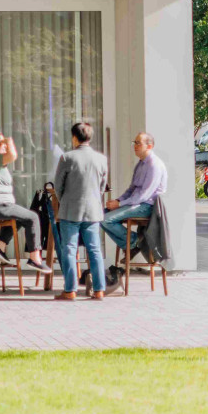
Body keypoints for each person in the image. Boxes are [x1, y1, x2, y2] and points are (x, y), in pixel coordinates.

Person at [0, 131, 51, 274]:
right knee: (33, 217)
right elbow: (13, 155)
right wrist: (9, 140)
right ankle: (35, 258)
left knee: (22, 216)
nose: (5, 147)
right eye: (2, 144)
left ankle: (0, 245)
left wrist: (3, 142)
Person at [102, 132, 168, 285]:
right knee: (101, 215)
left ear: (149, 146)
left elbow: (144, 196)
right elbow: (131, 189)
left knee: (106, 219)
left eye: (139, 143)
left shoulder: (154, 165)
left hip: (146, 206)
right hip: (134, 203)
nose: (135, 146)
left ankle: (133, 242)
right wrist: (118, 200)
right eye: (135, 142)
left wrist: (120, 205)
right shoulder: (140, 164)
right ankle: (131, 244)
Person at [53, 121, 109, 301]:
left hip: (70, 210)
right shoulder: (101, 159)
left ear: (74, 138)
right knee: (95, 250)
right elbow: (102, 187)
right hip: (93, 211)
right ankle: (99, 290)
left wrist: (64, 201)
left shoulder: (66, 158)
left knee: (69, 249)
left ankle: (70, 290)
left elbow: (58, 187)